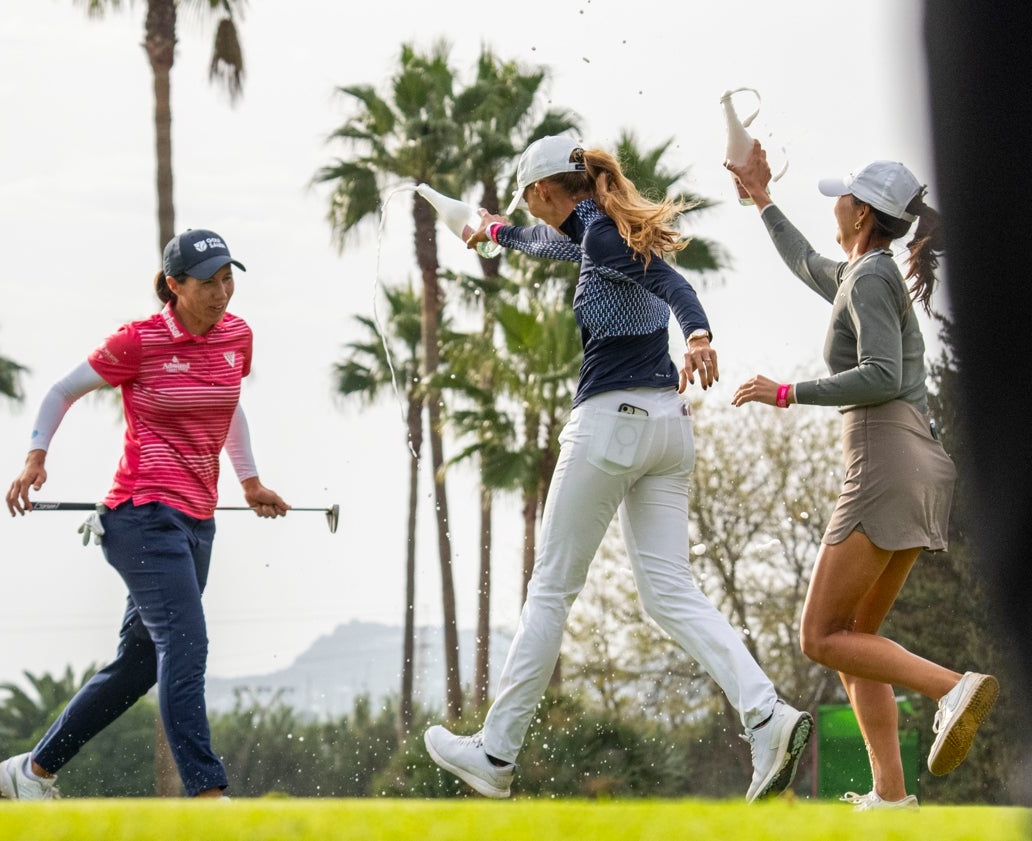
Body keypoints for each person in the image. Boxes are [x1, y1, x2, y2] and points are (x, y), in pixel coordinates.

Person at [423, 134, 812, 802]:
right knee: (670, 592)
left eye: (527, 197)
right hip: (668, 426)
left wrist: (698, 334)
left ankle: (494, 752)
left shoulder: (602, 238)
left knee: (550, 591)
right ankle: (767, 716)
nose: (529, 208)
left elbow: (671, 283)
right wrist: (492, 232)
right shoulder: (599, 230)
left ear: (547, 188)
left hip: (612, 423)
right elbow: (546, 244)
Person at [727, 143, 999, 811]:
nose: (835, 203)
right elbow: (804, 262)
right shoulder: (863, 273)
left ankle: (950, 687)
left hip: (884, 457)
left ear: (863, 212)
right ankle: (891, 793)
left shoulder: (872, 279)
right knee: (855, 641)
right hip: (913, 463)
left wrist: (787, 391)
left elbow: (878, 374)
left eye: (842, 195)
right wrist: (762, 199)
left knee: (820, 635)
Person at [0, 228, 290, 799]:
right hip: (140, 516)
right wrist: (36, 457)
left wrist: (249, 481)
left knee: (137, 665)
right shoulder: (139, 342)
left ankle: (32, 772)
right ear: (175, 286)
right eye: (208, 283)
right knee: (186, 641)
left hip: (197, 521)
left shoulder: (237, 336)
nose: (223, 293)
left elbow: (226, 405)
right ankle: (207, 795)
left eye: (229, 279)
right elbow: (61, 391)